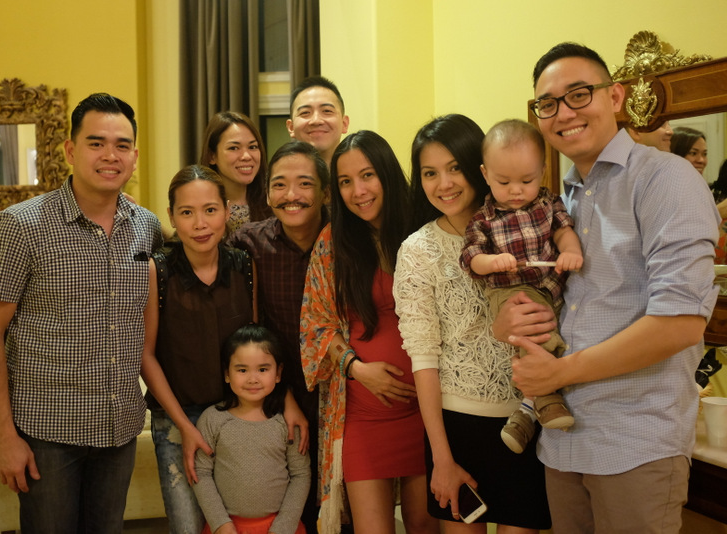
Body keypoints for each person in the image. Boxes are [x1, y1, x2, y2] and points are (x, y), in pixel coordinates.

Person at [498, 42, 719, 534]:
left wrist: (560, 371)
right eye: (548, 104)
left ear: (615, 96)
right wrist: (508, 320)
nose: (564, 113)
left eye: (579, 94)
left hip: (635, 440)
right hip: (563, 440)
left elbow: (681, 323)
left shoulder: (665, 179)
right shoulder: (561, 198)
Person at [0, 93, 163, 533]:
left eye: (122, 145)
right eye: (96, 143)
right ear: (70, 150)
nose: (110, 155)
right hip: (47, 433)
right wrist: (5, 437)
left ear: (134, 157)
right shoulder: (21, 226)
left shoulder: (146, 226)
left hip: (119, 428)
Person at [393, 114, 551, 533]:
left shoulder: (527, 227)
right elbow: (423, 359)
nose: (443, 183)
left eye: (453, 168)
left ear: (477, 168)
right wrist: (441, 458)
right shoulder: (417, 250)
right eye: (430, 173)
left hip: (527, 418)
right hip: (456, 427)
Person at [139, 164, 308, 534]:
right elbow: (146, 356)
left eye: (210, 210)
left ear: (227, 211)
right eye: (187, 212)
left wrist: (287, 399)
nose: (200, 224)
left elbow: (258, 344)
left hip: (238, 410)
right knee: (187, 524)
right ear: (171, 216)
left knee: (242, 516)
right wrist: (185, 426)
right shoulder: (158, 270)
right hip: (177, 416)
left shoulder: (243, 265)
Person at [300, 130, 436, 534]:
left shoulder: (424, 227)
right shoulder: (333, 243)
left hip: (429, 410)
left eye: (367, 175)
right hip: (363, 414)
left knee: (425, 524)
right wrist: (357, 368)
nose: (358, 191)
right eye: (345, 181)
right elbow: (315, 323)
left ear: (387, 173)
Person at [459, 119, 583, 454]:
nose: (516, 190)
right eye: (504, 182)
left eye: (527, 180)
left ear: (542, 171)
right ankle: (547, 398)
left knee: (553, 335)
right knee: (535, 331)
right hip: (510, 291)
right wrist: (491, 262)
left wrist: (571, 250)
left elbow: (563, 230)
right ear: (486, 174)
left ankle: (525, 414)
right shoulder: (484, 219)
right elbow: (470, 258)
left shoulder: (549, 203)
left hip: (549, 287)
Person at [227, 141, 330, 534]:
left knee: (344, 506)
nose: (291, 195)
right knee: (286, 505)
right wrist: (283, 397)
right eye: (280, 185)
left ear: (324, 192)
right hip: (277, 395)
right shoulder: (249, 244)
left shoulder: (345, 239)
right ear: (267, 194)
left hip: (343, 392)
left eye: (304, 184)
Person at [194, 324, 310, 534]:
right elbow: (201, 472)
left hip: (280, 528)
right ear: (227, 373)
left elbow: (301, 474)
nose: (253, 379)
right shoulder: (212, 419)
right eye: (242, 370)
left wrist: (283, 527)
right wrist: (220, 524)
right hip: (227, 528)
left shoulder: (288, 423)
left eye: (263, 369)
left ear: (278, 373)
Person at [200, 111, 272, 232]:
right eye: (234, 148)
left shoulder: (272, 203)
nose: (246, 156)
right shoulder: (198, 206)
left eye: (253, 147)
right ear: (211, 156)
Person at [287, 76, 349, 163]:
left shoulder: (362, 169)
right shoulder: (279, 171)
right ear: (291, 127)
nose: (316, 121)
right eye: (305, 112)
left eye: (327, 111)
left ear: (344, 124)